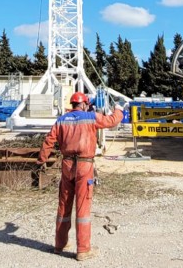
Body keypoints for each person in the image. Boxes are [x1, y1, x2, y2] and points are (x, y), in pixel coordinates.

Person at [37, 91, 125, 261]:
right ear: (84, 104)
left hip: (67, 165)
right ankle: (83, 250)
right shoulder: (91, 117)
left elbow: (49, 140)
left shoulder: (62, 120)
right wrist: (119, 109)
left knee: (64, 204)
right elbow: (112, 121)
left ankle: (59, 244)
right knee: (83, 207)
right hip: (84, 165)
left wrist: (42, 160)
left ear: (72, 104)